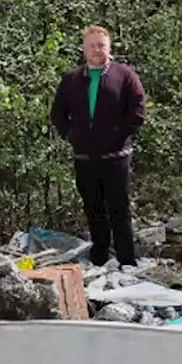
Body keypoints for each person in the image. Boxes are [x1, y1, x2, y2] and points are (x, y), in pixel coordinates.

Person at [50, 25, 146, 267]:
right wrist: (72, 135)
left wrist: (117, 136)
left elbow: (137, 111)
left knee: (119, 210)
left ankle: (126, 261)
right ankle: (100, 257)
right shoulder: (71, 79)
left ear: (109, 47)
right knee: (93, 209)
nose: (96, 49)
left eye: (101, 45)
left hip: (116, 156)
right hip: (84, 157)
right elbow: (57, 114)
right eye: (92, 45)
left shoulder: (125, 75)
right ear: (83, 48)